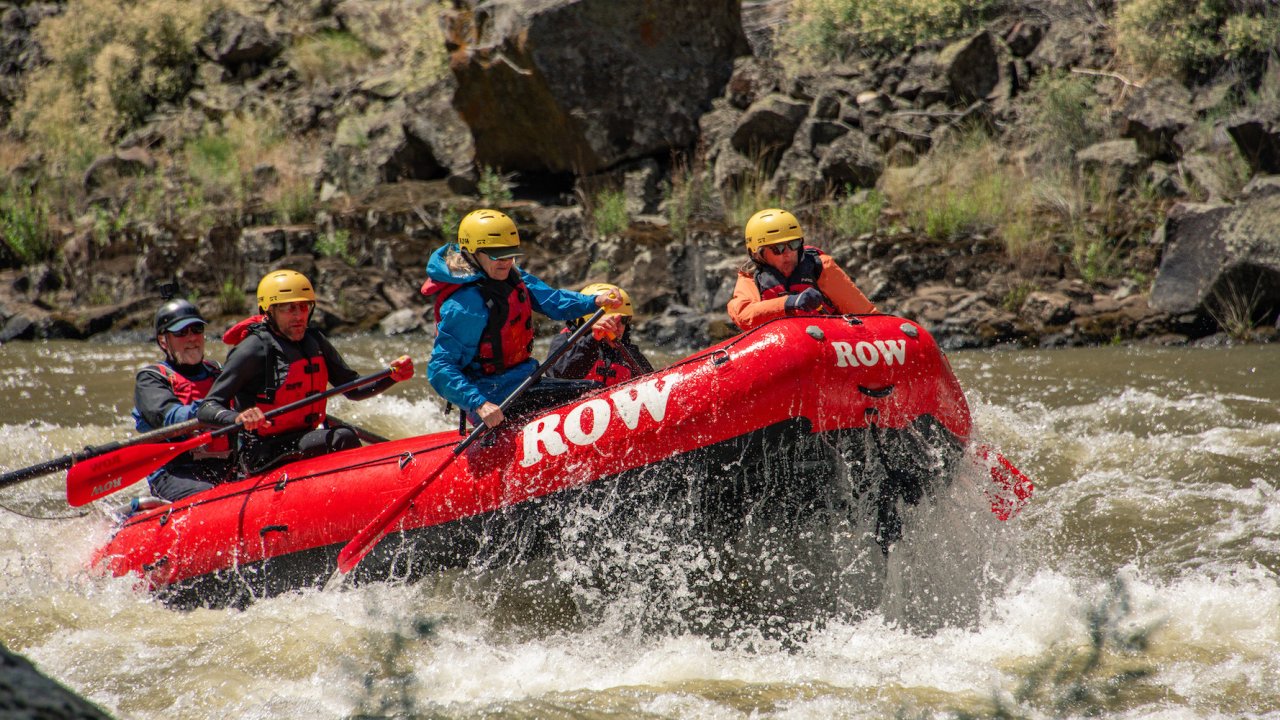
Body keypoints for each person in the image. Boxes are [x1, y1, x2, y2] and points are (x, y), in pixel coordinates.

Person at [198, 269, 414, 474]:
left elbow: (353, 389)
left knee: (342, 435)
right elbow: (207, 408)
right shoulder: (252, 349)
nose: (299, 315)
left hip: (305, 437)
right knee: (341, 438)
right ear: (268, 311)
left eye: (303, 307)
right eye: (288, 308)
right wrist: (238, 417)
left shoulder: (315, 341)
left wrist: (392, 376)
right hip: (261, 451)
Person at [423, 208, 624, 429]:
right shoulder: (465, 306)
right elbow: (439, 368)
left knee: (596, 391)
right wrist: (480, 405)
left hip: (524, 380)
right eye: (496, 254)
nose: (506, 261)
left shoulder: (513, 276)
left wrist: (594, 301)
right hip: (492, 397)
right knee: (592, 394)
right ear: (470, 252)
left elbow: (553, 301)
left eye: (510, 253)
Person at [132, 299, 235, 502]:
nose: (191, 338)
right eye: (181, 333)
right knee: (212, 496)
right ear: (163, 341)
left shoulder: (218, 372)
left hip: (223, 464)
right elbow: (171, 418)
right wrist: (210, 407)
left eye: (196, 329)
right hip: (175, 472)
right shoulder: (151, 378)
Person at [727, 208, 878, 330]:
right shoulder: (750, 276)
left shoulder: (820, 266)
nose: (788, 254)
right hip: (781, 349)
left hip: (830, 342)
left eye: (793, 244)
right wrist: (790, 302)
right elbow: (743, 314)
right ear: (758, 254)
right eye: (777, 248)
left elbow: (868, 315)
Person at [546, 283, 653, 386]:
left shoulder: (629, 353)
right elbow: (558, 375)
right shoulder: (565, 342)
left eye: (624, 320)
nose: (620, 327)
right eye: (613, 320)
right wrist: (592, 339)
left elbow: (651, 386)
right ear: (590, 321)